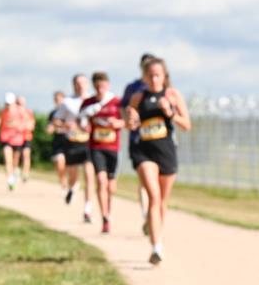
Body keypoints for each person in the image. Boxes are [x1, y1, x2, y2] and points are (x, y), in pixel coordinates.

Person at [126, 57, 191, 264]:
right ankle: (156, 247)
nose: (154, 79)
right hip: (144, 151)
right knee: (153, 197)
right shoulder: (138, 97)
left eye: (158, 75)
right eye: (150, 75)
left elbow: (186, 125)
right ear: (144, 76)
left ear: (164, 76)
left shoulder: (173, 95)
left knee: (162, 201)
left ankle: (155, 233)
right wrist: (131, 119)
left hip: (166, 151)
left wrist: (169, 112)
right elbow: (131, 123)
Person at [80, 72, 124, 233]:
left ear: (108, 85)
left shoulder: (117, 102)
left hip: (113, 148)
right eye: (97, 87)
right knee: (101, 180)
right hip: (96, 147)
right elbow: (81, 120)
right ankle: (104, 217)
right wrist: (85, 126)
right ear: (94, 86)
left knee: (111, 187)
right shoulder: (88, 103)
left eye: (103, 86)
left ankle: (108, 210)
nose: (100, 90)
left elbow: (127, 121)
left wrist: (117, 122)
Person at [51, 74, 94, 219]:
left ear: (88, 84)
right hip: (72, 141)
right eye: (78, 83)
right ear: (74, 85)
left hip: (89, 142)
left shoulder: (94, 101)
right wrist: (65, 124)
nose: (81, 85)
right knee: (73, 174)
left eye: (83, 82)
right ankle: (71, 188)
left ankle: (88, 208)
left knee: (89, 174)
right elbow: (56, 120)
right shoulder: (67, 102)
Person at [122, 54, 155, 235]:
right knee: (144, 180)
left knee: (156, 183)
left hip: (159, 142)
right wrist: (129, 120)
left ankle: (152, 215)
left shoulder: (164, 87)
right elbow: (124, 108)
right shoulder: (133, 88)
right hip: (138, 139)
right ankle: (146, 216)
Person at [0, 93, 25, 190]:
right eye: (7, 103)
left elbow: (26, 123)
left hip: (17, 139)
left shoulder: (20, 111)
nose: (8, 106)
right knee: (8, 160)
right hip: (6, 138)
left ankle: (15, 171)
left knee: (15, 161)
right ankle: (10, 180)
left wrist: (18, 126)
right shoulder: (2, 112)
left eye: (10, 104)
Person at [47, 91, 70, 193]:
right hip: (58, 142)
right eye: (55, 99)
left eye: (59, 99)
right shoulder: (53, 113)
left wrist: (61, 125)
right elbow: (50, 127)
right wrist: (51, 128)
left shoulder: (69, 112)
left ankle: (71, 183)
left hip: (69, 141)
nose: (57, 101)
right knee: (60, 164)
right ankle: (64, 184)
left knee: (69, 166)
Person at [16, 95, 36, 183]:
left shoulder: (29, 112)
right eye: (18, 103)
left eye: (21, 103)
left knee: (26, 155)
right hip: (15, 138)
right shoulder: (13, 113)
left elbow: (31, 125)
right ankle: (15, 171)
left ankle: (25, 174)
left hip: (26, 137)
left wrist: (22, 126)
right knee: (16, 156)